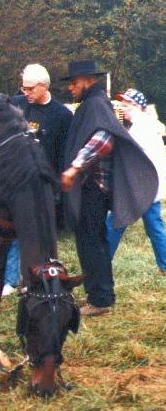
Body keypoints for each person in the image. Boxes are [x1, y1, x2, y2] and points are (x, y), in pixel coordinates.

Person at [60, 60, 158, 316]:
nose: (70, 88)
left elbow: (103, 140)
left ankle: (100, 300)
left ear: (87, 80)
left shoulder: (96, 104)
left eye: (73, 82)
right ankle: (100, 296)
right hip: (93, 187)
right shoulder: (92, 104)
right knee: (94, 241)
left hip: (94, 188)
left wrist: (74, 168)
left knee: (91, 242)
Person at [2, 64, 73, 296]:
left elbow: (65, 153)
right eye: (23, 88)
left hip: (43, 185)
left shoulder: (61, 115)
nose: (26, 93)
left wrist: (59, 188)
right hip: (16, 180)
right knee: (11, 231)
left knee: (39, 235)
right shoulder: (17, 105)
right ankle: (9, 280)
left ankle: (32, 278)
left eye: (30, 89)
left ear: (43, 86)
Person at [106, 89, 166, 274]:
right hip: (147, 185)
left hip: (141, 186)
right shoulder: (146, 124)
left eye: (127, 105)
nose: (124, 109)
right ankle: (165, 264)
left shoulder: (141, 127)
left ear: (138, 106)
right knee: (154, 225)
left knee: (116, 221)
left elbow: (126, 153)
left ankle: (102, 262)